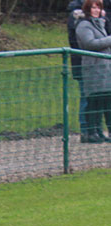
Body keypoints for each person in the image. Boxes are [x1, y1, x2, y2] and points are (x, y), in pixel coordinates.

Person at [76, 0, 111, 142]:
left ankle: (100, 132)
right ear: (87, 9)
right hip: (93, 68)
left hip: (105, 68)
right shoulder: (83, 25)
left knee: (106, 101)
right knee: (94, 101)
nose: (96, 10)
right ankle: (91, 132)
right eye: (93, 8)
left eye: (98, 8)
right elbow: (90, 43)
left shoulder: (99, 24)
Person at [67, 0, 89, 139]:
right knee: (87, 96)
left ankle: (94, 129)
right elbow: (83, 41)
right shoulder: (77, 16)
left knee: (100, 97)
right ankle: (86, 130)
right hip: (83, 62)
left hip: (101, 63)